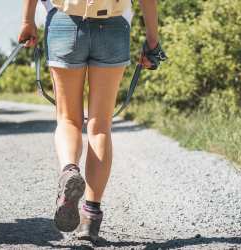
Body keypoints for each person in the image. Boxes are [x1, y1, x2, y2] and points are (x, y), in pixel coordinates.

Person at [19, 0, 165, 242]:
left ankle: (69, 170)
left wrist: (27, 21)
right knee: (100, 127)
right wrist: (152, 41)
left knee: (68, 120)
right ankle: (90, 218)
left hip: (65, 22)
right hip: (113, 27)